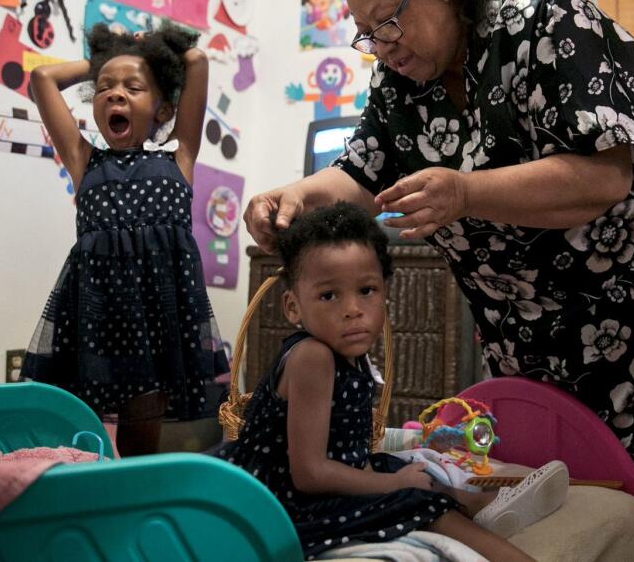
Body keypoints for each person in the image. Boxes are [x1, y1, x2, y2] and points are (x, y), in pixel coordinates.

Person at [243, 0, 634, 556]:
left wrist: (465, 191)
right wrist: (295, 194)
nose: (381, 44)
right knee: (535, 453)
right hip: (520, 310)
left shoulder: (542, 21)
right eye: (366, 33)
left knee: (632, 473)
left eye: (390, 20)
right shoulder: (400, 78)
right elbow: (361, 170)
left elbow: (603, 173)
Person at [220, 202, 568, 560]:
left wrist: (389, 476)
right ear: (293, 307)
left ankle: (482, 504)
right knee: (412, 496)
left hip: (330, 479)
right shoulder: (313, 357)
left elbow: (348, 448)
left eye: (366, 290)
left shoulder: (348, 356)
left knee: (411, 470)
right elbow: (309, 473)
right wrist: (392, 485)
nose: (352, 308)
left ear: (385, 292)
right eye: (328, 295)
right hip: (281, 504)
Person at [22, 22, 222, 423]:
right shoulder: (84, 160)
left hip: (161, 313)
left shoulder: (179, 158)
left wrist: (150, 51)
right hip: (99, 313)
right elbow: (43, 77)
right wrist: (102, 59)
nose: (115, 92)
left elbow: (197, 60)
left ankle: (135, 477)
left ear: (162, 110)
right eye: (104, 87)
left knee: (143, 417)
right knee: (85, 414)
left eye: (133, 88)